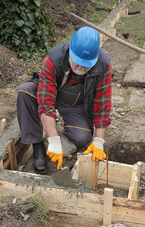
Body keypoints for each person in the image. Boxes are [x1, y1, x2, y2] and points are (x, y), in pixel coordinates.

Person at [16, 26, 112, 173]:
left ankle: (63, 143)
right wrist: (53, 140)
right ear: (71, 51)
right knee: (25, 91)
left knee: (82, 137)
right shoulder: (53, 58)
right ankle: (37, 146)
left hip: (74, 103)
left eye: (85, 65)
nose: (80, 67)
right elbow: (46, 102)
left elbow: (102, 104)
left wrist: (99, 141)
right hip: (51, 94)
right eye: (77, 62)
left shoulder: (103, 65)